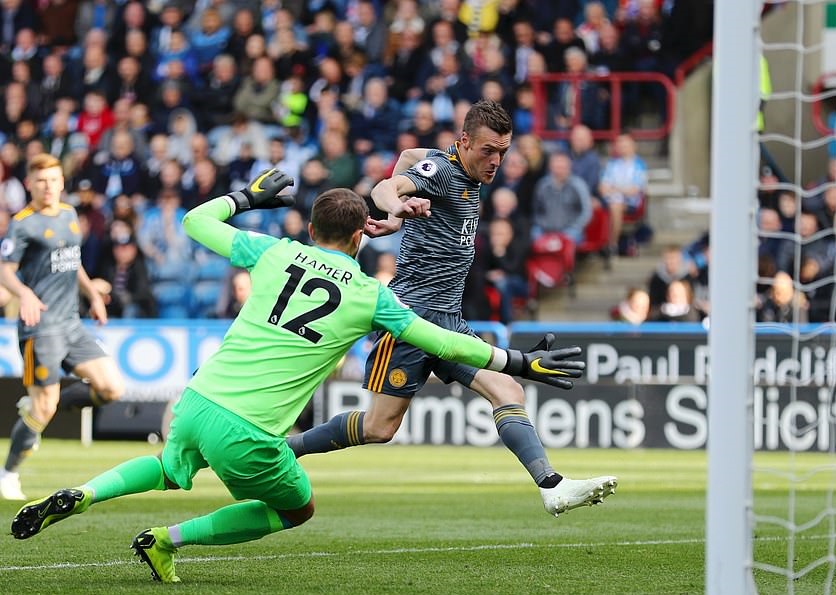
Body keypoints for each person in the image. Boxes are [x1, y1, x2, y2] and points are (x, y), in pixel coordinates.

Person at [10, 169, 587, 583]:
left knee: (167, 468)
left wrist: (246, 196)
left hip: (196, 399)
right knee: (296, 510)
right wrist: (514, 362)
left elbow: (194, 220)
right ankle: (168, 539)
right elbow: (440, 340)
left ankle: (83, 493)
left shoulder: (272, 252)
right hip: (251, 430)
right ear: (363, 234)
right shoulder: (368, 296)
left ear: (311, 226)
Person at [286, 100, 618, 517]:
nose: (496, 161)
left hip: (449, 318)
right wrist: (396, 208)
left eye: (503, 151)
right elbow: (383, 188)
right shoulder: (443, 172)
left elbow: (407, 157)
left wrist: (398, 215)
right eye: (487, 151)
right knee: (379, 427)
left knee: (507, 389)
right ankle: (284, 450)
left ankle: (552, 486)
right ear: (463, 142)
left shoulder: (453, 165)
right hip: (409, 319)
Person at [0, 153, 126, 501]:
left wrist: (93, 296)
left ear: (61, 182)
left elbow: (74, 263)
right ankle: (8, 474)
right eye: (41, 181)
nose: (48, 186)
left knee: (112, 388)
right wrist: (24, 295)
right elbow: (4, 269)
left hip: (71, 323)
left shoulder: (70, 215)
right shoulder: (22, 223)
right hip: (40, 327)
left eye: (54, 179)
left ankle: (40, 410)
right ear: (30, 183)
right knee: (44, 405)